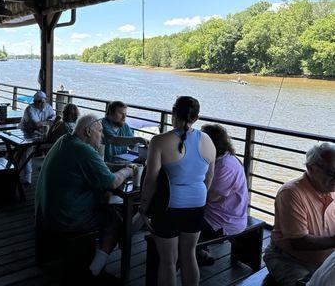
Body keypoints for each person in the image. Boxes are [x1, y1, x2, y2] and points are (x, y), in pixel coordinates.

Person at [35, 114, 135, 279]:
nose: (102, 136)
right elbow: (112, 182)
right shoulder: (83, 150)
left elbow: (97, 165)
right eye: (100, 131)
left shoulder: (66, 141)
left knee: (105, 204)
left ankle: (94, 259)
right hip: (66, 218)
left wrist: (122, 166)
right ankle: (94, 271)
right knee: (114, 221)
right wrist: (129, 170)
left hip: (45, 211)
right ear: (88, 131)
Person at [139, 96, 216, 286]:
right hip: (197, 204)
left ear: (173, 113)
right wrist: (198, 195)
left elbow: (150, 179)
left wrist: (143, 207)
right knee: (189, 255)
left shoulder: (159, 141)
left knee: (168, 262)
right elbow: (209, 177)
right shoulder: (207, 140)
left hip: (169, 206)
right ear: (196, 117)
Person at [264, 143, 335, 286]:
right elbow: (299, 242)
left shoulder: (331, 188)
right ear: (311, 168)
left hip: (325, 260)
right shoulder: (291, 193)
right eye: (330, 172)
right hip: (290, 260)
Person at [198, 124, 248, 265]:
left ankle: (182, 257)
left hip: (224, 221)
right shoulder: (218, 159)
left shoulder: (226, 166)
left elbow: (209, 198)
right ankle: (199, 252)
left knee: (181, 223)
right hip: (218, 213)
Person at [19, 91, 56, 185]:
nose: (42, 103)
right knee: (27, 150)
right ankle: (28, 177)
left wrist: (43, 123)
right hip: (26, 133)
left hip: (42, 134)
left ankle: (47, 171)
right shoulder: (29, 109)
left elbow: (54, 119)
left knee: (53, 147)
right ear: (35, 101)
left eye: (43, 101)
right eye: (39, 101)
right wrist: (47, 122)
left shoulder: (48, 107)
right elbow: (36, 124)